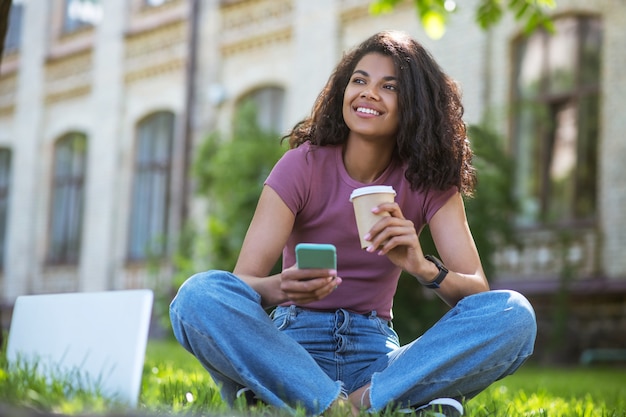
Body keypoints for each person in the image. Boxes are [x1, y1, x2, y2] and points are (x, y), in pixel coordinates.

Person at [169, 30, 537, 417]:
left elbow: (478, 292)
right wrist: (280, 288)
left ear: (414, 105)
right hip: (291, 349)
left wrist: (421, 266)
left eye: (388, 86)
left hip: (376, 358)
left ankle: (334, 405)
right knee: (198, 295)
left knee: (514, 314)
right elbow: (239, 286)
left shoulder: (428, 180)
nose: (368, 93)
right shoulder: (302, 165)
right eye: (359, 80)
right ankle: (357, 405)